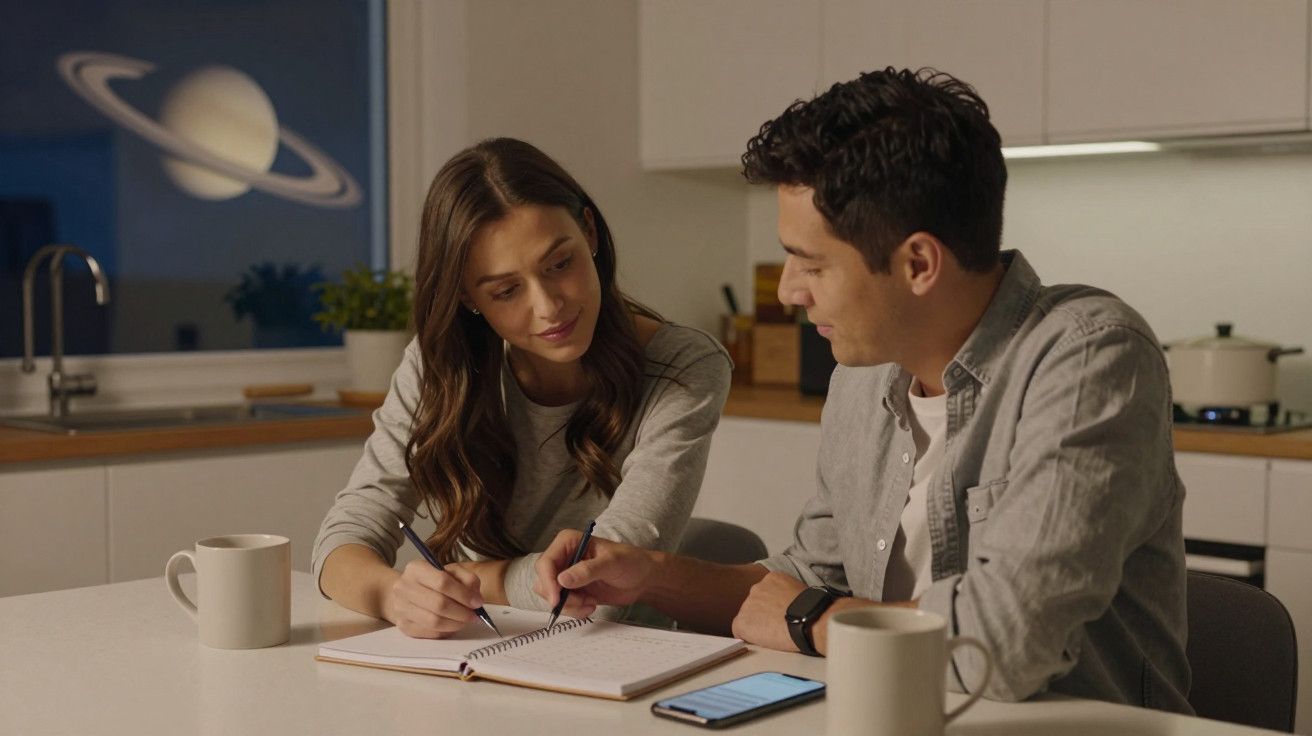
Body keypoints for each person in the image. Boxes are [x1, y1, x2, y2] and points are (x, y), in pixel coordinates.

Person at [533, 69, 1191, 713]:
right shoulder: (862, 374)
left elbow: (1010, 640)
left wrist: (812, 618)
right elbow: (809, 580)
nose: (789, 290)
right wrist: (652, 576)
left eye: (811, 263)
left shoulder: (1089, 357)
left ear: (918, 264)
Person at [313, 137, 731, 638]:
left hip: (619, 657)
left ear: (589, 232)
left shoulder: (684, 366)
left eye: (560, 265)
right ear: (468, 296)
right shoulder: (439, 366)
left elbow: (600, 585)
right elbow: (342, 540)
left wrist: (477, 576)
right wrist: (392, 594)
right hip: (477, 651)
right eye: (507, 291)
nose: (549, 307)